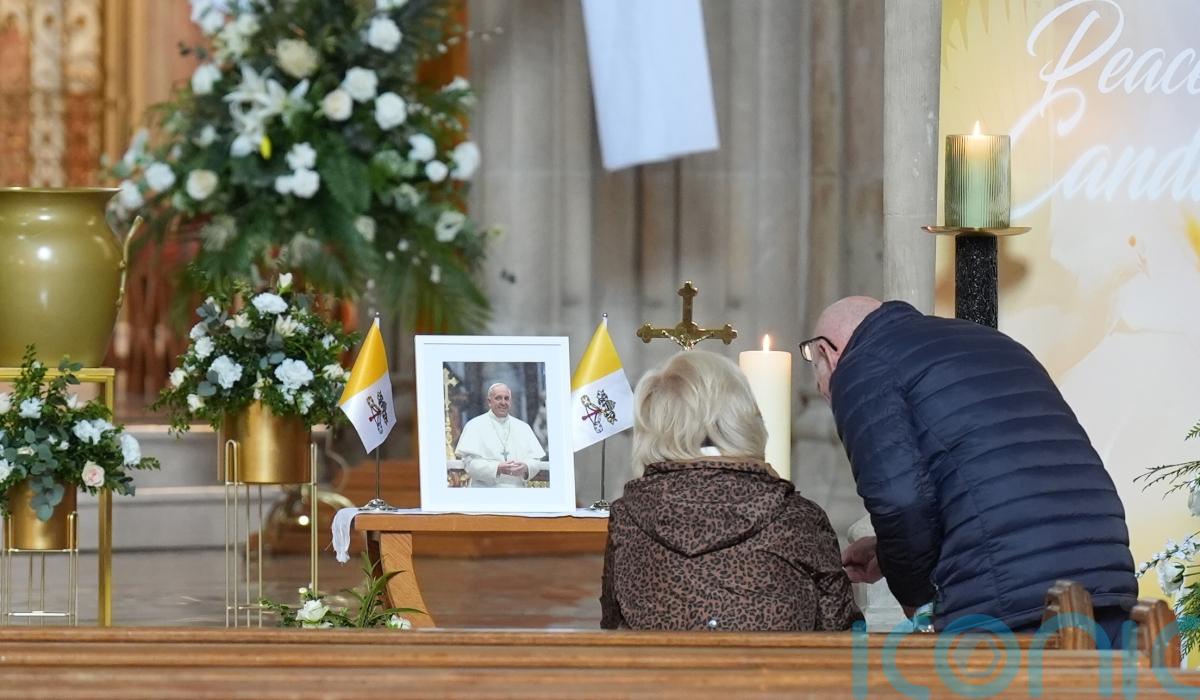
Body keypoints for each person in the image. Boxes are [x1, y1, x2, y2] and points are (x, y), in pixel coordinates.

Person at [803, 296, 1137, 641]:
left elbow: (900, 501)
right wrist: (887, 556)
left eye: (818, 377)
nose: (823, 391)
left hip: (1010, 591)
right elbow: (991, 474)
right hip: (1105, 571)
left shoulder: (861, 365)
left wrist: (915, 596)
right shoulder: (994, 341)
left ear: (826, 353)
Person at [600, 351, 858, 631]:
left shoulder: (627, 515)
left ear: (653, 425)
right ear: (743, 417)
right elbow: (840, 629)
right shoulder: (798, 517)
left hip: (660, 662)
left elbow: (613, 622)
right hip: (772, 662)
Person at [454, 382, 548, 487]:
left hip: (516, 491)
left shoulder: (523, 427)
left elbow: (535, 460)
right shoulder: (474, 425)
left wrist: (526, 467)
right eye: (498, 398)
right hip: (485, 491)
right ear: (489, 402)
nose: (503, 402)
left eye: (506, 398)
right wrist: (497, 468)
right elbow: (469, 464)